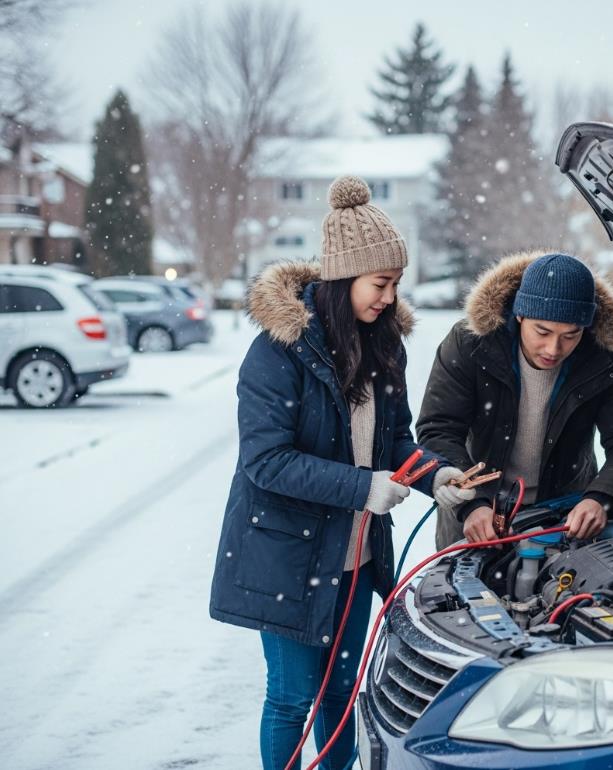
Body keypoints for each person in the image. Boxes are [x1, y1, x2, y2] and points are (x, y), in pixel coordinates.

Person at [209, 176, 471, 770]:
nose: (389, 296)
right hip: (287, 554)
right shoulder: (279, 350)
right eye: (380, 283)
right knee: (294, 696)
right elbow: (265, 460)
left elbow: (396, 441)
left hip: (353, 556)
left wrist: (437, 477)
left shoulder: (384, 348)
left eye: (395, 283)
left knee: (342, 692)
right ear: (342, 278)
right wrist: (362, 486)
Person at [417, 250, 613, 550]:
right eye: (542, 331)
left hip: (564, 515)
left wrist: (601, 497)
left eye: (571, 335)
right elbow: (438, 430)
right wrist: (471, 504)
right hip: (475, 517)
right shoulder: (470, 344)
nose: (554, 348)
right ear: (519, 315)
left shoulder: (605, 359)